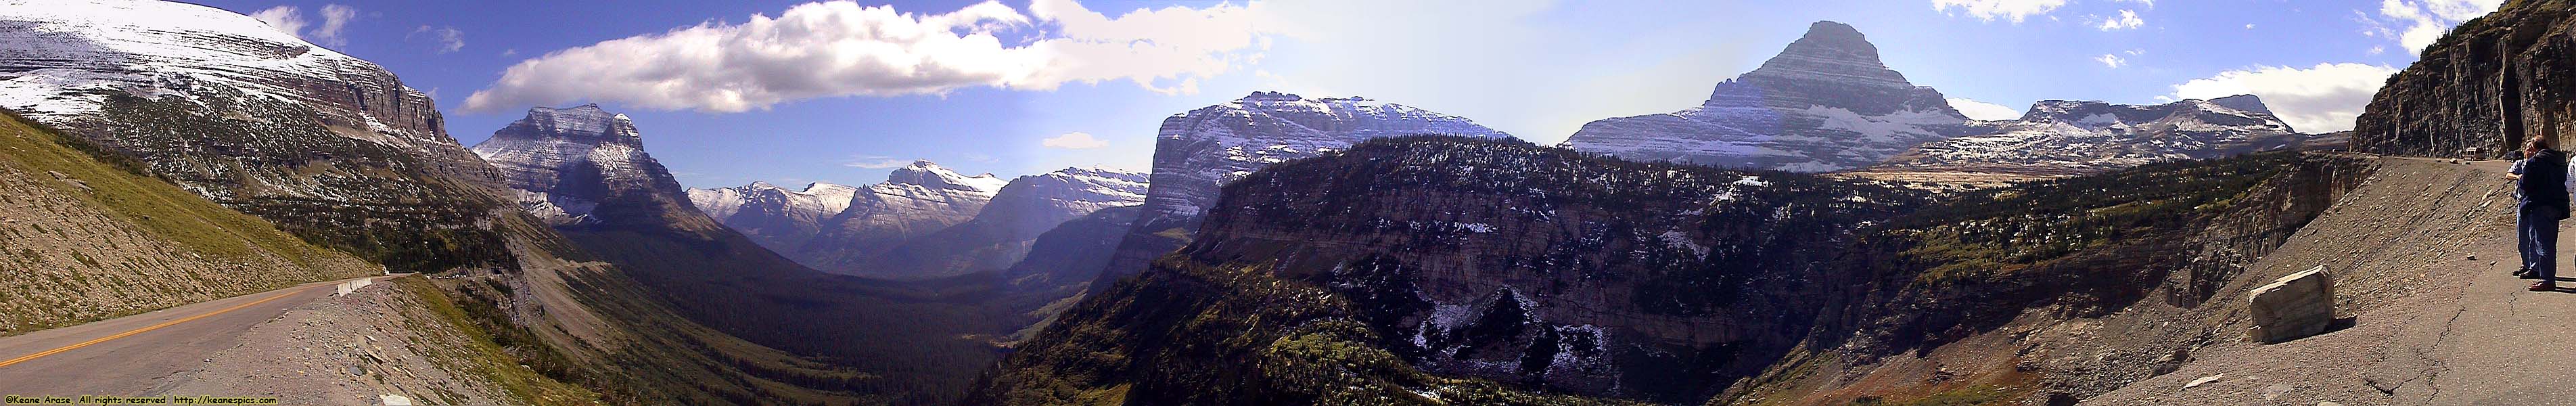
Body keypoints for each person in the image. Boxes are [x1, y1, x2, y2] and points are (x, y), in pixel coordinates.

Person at [2510, 137, 2570, 291]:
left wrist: (2522, 178)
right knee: (2550, 242)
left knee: (2542, 243)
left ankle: (2547, 279)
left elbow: (2525, 184)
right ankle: (2546, 276)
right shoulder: (2559, 160)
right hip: (2557, 205)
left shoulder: (2535, 162)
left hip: (2540, 206)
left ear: (2535, 148)